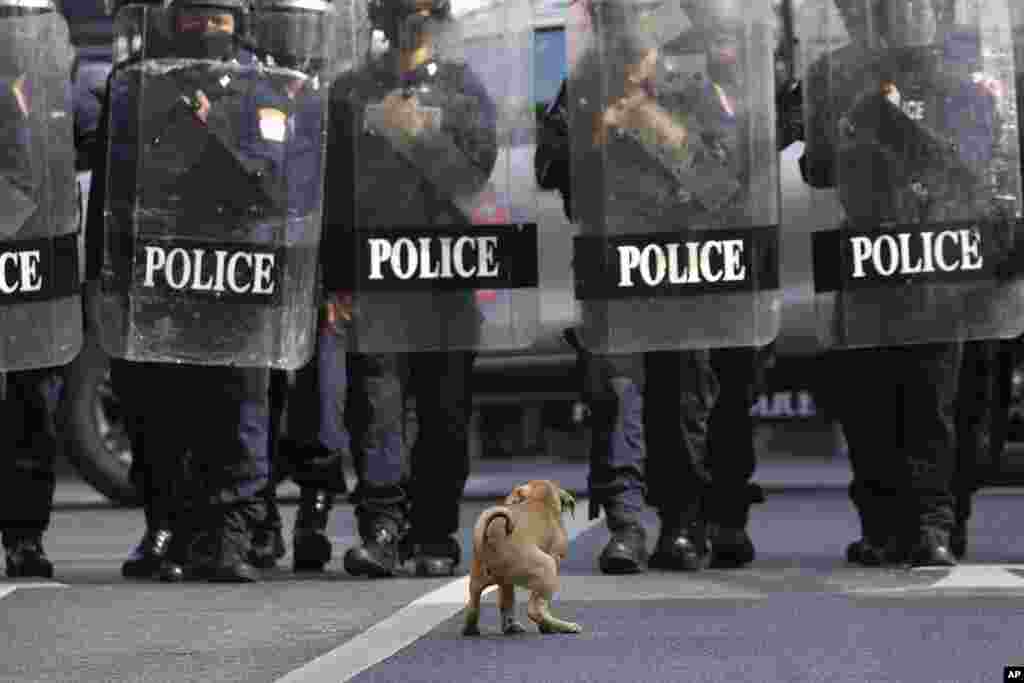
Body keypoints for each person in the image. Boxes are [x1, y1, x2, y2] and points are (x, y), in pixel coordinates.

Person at [540, 0, 785, 574]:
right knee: (615, 393)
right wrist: (594, 137)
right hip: (614, 268)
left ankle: (682, 521)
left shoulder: (699, 79)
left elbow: (723, 179)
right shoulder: (585, 81)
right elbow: (551, 166)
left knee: (684, 396)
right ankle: (626, 524)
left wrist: (655, 122)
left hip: (684, 267)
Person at [86, 0, 313, 582]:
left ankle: (229, 537)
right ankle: (165, 529)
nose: (205, 28)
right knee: (157, 410)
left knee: (238, 408)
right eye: (194, 14)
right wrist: (101, 277)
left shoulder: (263, 85)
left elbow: (271, 182)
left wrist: (210, 129)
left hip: (237, 274)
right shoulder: (136, 83)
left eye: (217, 16)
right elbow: (112, 187)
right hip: (161, 273)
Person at [799, 1, 1013, 566]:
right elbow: (818, 167)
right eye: (890, 9)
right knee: (868, 401)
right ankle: (882, 524)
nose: (901, 18)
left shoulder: (961, 84)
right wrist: (850, 126)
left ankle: (935, 522)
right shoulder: (840, 77)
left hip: (938, 266)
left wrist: (894, 122)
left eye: (915, 8)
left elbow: (970, 168)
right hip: (869, 260)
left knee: (935, 402)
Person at [321, 0, 498, 578]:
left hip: (445, 272)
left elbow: (474, 181)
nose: (409, 23)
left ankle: (435, 530)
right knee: (376, 405)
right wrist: (335, 279)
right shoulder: (350, 92)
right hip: (376, 275)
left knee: (445, 406)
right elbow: (333, 196)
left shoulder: (464, 89)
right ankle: (381, 527)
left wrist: (421, 132)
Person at [0, 0, 77, 579]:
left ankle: (25, 534)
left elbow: (30, 173)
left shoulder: (40, 90)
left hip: (26, 264)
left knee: (31, 401)